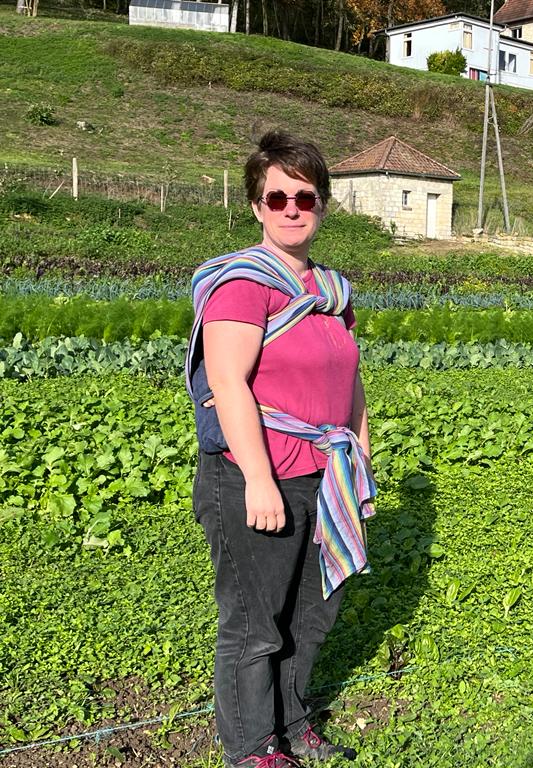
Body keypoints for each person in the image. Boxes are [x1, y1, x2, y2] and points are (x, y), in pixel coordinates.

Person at [187, 131, 375, 767]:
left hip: (327, 474)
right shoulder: (242, 284)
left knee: (314, 610)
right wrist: (260, 481)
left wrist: (361, 466)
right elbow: (227, 382)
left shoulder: (332, 293)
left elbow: (350, 384)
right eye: (278, 197)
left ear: (323, 205)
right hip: (256, 473)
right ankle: (251, 745)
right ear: (256, 206)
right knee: (255, 620)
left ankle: (292, 720)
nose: (293, 208)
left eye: (306, 196)